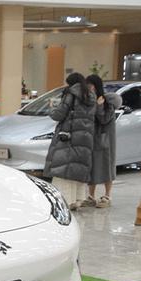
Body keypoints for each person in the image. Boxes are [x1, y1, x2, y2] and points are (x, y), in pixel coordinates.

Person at [44, 72, 96, 210]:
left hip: (69, 136)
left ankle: (65, 201)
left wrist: (51, 108)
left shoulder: (71, 94)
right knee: (78, 168)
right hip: (85, 138)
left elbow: (59, 114)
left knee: (64, 169)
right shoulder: (91, 96)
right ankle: (77, 200)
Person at [81, 74, 122, 208]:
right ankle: (91, 196)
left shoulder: (107, 102)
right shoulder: (88, 100)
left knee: (106, 166)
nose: (89, 88)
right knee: (92, 167)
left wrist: (99, 106)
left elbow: (104, 119)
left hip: (105, 139)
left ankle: (107, 195)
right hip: (92, 138)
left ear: (96, 86)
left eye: (91, 85)